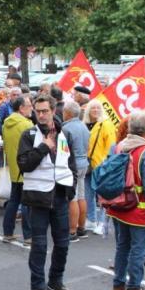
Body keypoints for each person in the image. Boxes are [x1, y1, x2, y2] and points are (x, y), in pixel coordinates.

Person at [17, 95, 75, 290]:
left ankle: (56, 281)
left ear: (53, 111)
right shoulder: (28, 135)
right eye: (37, 111)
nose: (40, 115)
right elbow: (24, 164)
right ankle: (38, 287)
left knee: (62, 243)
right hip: (37, 197)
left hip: (59, 194)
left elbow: (70, 163)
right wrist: (43, 147)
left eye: (44, 111)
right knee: (39, 245)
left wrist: (71, 189)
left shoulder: (63, 133)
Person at [108, 111, 145, 290]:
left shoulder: (119, 146)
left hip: (119, 205)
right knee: (138, 249)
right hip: (138, 209)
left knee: (123, 246)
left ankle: (118, 286)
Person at [1, 95, 34, 244]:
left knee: (13, 200)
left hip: (14, 168)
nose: (31, 108)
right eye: (29, 105)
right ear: (21, 108)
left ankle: (7, 232)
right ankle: (28, 236)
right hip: (26, 167)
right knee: (26, 203)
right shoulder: (26, 125)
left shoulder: (6, 123)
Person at [82, 99, 116, 235]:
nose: (95, 110)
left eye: (98, 108)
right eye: (93, 108)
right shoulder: (84, 124)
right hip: (88, 163)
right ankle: (91, 219)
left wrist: (107, 162)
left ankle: (102, 223)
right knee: (88, 193)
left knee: (102, 195)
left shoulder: (106, 124)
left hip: (101, 164)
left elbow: (111, 144)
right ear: (88, 110)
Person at [61, 101, 90, 241]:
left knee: (72, 197)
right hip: (84, 161)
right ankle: (81, 228)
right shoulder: (83, 126)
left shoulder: (66, 129)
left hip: (72, 164)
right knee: (81, 195)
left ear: (68, 113)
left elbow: (63, 150)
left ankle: (72, 231)